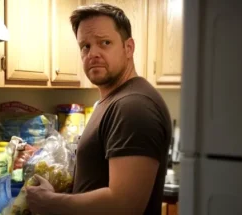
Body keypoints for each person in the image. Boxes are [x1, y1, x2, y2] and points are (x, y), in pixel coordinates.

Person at [26, 3, 172, 215]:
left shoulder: (133, 107)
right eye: (85, 46)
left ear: (128, 48)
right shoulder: (114, 100)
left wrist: (51, 202)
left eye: (105, 42)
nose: (93, 53)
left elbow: (125, 205)